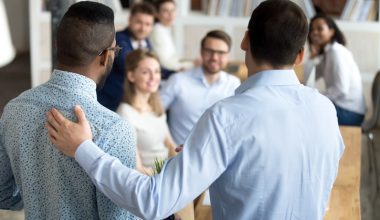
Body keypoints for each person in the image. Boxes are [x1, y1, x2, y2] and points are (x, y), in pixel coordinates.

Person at [46, 1, 345, 219]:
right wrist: (221, 157)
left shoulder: (227, 117)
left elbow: (154, 201)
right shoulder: (325, 109)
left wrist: (84, 148)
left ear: (244, 40)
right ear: (301, 54)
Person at [0, 2, 137, 219]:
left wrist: (42, 197)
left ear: (57, 45)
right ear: (105, 56)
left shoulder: (14, 109)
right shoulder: (114, 129)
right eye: (115, 50)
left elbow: (3, 194)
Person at [160, 30, 240, 145]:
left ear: (228, 56)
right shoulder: (178, 80)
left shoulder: (234, 84)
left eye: (221, 53)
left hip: (219, 156)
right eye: (210, 51)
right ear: (201, 52)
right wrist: (169, 145)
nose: (215, 57)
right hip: (179, 156)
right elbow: (154, 114)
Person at [117, 49, 176, 174]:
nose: (153, 77)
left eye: (157, 71)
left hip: (167, 173)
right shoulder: (125, 114)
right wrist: (166, 178)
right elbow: (136, 168)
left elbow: (170, 145)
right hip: (149, 182)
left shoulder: (157, 108)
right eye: (145, 72)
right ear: (131, 76)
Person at [304, 13, 366, 126]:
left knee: (306, 114)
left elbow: (341, 89)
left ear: (331, 31)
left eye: (320, 28)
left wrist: (316, 96)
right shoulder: (327, 54)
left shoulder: (336, 52)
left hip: (350, 112)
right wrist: (312, 55)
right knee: (306, 111)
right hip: (343, 108)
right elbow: (308, 78)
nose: (314, 33)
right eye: (312, 29)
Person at [97, 2, 156, 111]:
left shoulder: (146, 42)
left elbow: (152, 63)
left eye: (148, 24)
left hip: (131, 102)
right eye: (139, 22)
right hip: (111, 102)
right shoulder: (118, 39)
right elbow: (129, 63)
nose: (143, 28)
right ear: (130, 19)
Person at [149, 0, 193, 79]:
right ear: (157, 14)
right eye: (165, 11)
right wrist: (192, 64)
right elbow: (165, 64)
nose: (170, 14)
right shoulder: (157, 31)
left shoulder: (165, 29)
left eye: (173, 10)